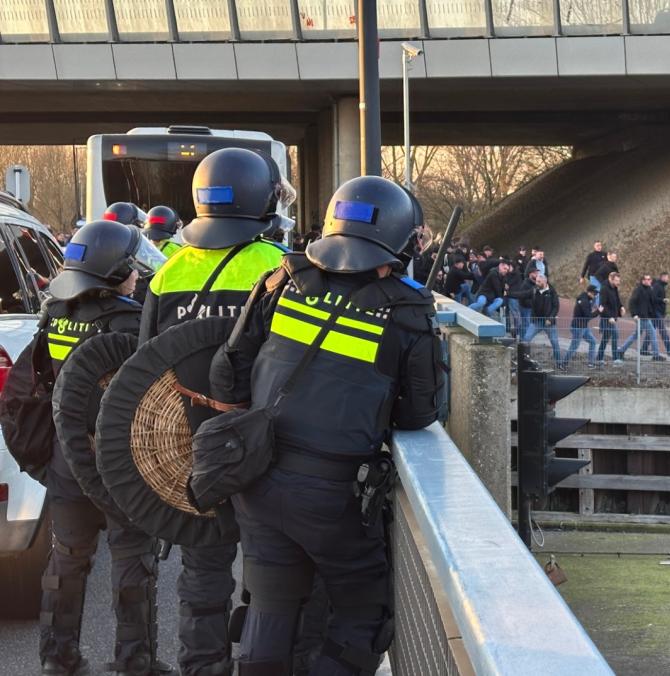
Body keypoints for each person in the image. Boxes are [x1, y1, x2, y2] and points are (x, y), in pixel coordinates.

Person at [209, 176, 441, 675]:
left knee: (269, 606)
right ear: (399, 241)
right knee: (362, 617)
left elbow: (227, 371)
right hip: (335, 495)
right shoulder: (408, 310)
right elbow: (419, 414)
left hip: (258, 477)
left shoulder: (282, 279)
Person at [139, 147, 294, 676]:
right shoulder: (276, 267)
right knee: (268, 570)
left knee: (202, 570)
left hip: (188, 446)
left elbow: (146, 367)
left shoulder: (166, 273)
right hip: (262, 445)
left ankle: (201, 666)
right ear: (259, 200)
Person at [38, 220, 168, 676]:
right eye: (131, 266)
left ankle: (58, 657)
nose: (138, 273)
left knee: (65, 562)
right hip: (120, 465)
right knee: (134, 559)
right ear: (113, 272)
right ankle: (135, 661)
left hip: (67, 459)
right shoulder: (133, 323)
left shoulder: (55, 312)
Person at [617, 274, 665, 362]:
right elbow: (632, 302)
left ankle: (621, 350)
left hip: (645, 316)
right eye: (647, 279)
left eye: (649, 279)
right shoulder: (638, 290)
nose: (649, 281)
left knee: (636, 335)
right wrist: (634, 314)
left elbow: (652, 302)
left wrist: (659, 303)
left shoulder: (649, 289)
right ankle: (656, 355)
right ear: (643, 281)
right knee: (653, 334)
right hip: (642, 317)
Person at [523, 273, 564, 368]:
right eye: (536, 281)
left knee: (555, 342)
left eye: (539, 281)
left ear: (544, 282)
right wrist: (509, 293)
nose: (536, 283)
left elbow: (556, 307)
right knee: (526, 339)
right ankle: (524, 361)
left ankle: (559, 364)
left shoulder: (552, 292)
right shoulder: (534, 290)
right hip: (536, 321)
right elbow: (522, 295)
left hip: (549, 323)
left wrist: (550, 318)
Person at [563, 286, 600, 369]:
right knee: (574, 346)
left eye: (596, 294)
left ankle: (591, 363)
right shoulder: (584, 301)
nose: (595, 295)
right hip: (578, 327)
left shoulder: (586, 298)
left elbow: (591, 305)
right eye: (594, 294)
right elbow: (588, 316)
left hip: (583, 326)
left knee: (593, 342)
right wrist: (598, 311)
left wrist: (593, 301)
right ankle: (563, 364)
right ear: (589, 292)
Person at [646, 272, 670, 356]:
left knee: (651, 331)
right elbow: (654, 298)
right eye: (667, 277)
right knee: (663, 331)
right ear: (663, 277)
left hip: (658, 312)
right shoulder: (657, 286)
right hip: (656, 312)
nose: (668, 279)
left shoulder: (660, 286)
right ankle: (669, 349)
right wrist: (663, 300)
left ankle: (644, 349)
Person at [597, 271, 625, 365]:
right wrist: (609, 317)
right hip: (606, 318)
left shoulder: (614, 288)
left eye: (619, 280)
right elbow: (602, 304)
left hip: (613, 317)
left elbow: (617, 299)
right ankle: (615, 359)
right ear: (610, 279)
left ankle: (599, 358)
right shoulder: (604, 288)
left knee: (605, 339)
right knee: (615, 335)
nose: (618, 282)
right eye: (616, 280)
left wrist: (621, 307)